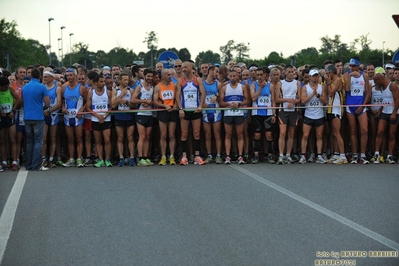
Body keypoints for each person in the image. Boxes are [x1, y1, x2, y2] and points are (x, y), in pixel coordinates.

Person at [175, 61, 207, 165]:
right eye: (182, 67)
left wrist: (200, 106)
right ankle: (184, 156)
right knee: (184, 134)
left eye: (185, 67)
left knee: (196, 133)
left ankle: (197, 156)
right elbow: (178, 95)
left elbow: (203, 93)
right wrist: (180, 108)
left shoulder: (197, 80)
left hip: (195, 110)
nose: (183, 69)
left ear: (191, 68)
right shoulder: (180, 81)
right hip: (185, 110)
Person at [22, 68, 50, 171]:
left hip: (27, 116)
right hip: (38, 116)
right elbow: (47, 103)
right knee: (38, 141)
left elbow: (23, 101)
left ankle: (29, 164)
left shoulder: (25, 87)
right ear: (40, 76)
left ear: (30, 76)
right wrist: (41, 108)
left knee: (29, 141)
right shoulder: (42, 87)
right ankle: (36, 165)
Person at [343, 57, 371, 164]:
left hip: (361, 105)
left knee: (364, 130)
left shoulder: (365, 76)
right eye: (351, 66)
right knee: (353, 130)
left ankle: (362, 154)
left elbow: (368, 93)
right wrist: (350, 76)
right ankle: (354, 154)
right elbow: (347, 89)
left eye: (354, 66)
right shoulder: (347, 75)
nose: (352, 68)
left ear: (358, 66)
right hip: (350, 105)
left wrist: (363, 105)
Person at [219, 69, 250, 164]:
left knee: (240, 135)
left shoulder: (243, 87)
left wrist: (239, 104)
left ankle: (240, 156)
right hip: (228, 113)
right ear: (228, 76)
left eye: (234, 76)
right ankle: (228, 156)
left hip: (239, 113)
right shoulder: (225, 88)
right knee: (228, 135)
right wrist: (228, 104)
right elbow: (220, 102)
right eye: (231, 76)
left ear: (237, 76)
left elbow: (247, 100)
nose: (233, 78)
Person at [298, 69, 328, 164]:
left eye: (317, 75)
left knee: (319, 136)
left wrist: (318, 96)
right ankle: (303, 155)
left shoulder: (322, 87)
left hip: (319, 115)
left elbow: (325, 101)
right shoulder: (305, 88)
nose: (315, 77)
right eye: (313, 76)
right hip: (309, 114)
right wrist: (312, 94)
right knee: (305, 135)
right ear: (310, 77)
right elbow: (303, 101)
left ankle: (319, 155)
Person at [61, 68, 87, 167]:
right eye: (68, 76)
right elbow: (62, 100)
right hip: (68, 116)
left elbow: (87, 101)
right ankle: (72, 159)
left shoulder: (82, 88)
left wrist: (82, 110)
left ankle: (79, 158)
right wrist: (63, 107)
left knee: (79, 138)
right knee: (70, 139)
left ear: (75, 76)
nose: (69, 77)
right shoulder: (64, 87)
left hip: (78, 117)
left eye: (71, 75)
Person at [250, 67, 276, 164]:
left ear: (265, 75)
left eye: (261, 75)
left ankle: (269, 155)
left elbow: (273, 100)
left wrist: (274, 114)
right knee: (257, 135)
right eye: (258, 75)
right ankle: (256, 155)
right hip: (256, 113)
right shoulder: (253, 85)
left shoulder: (271, 85)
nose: (260, 77)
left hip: (268, 113)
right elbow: (253, 98)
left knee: (269, 135)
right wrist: (260, 87)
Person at [276, 65, 300, 164]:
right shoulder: (280, 83)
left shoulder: (297, 83)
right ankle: (281, 155)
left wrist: (294, 102)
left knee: (291, 134)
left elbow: (299, 98)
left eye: (292, 72)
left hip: (293, 111)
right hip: (283, 111)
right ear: (285, 72)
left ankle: (288, 155)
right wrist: (287, 100)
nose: (291, 74)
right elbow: (277, 99)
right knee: (282, 133)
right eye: (289, 72)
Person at [372, 73, 399, 164]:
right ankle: (376, 155)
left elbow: (397, 99)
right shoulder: (382, 87)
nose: (375, 84)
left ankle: (390, 156)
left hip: (393, 113)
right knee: (379, 132)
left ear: (380, 80)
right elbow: (385, 101)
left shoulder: (392, 86)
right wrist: (380, 109)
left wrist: (394, 112)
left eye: (376, 82)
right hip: (384, 112)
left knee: (391, 134)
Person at [153, 69, 178, 165]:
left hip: (172, 111)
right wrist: (164, 106)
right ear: (163, 76)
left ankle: (171, 156)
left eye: (171, 75)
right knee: (163, 135)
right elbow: (155, 101)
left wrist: (175, 105)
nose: (170, 76)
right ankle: (163, 156)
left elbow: (177, 97)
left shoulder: (174, 86)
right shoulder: (158, 87)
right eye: (168, 75)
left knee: (171, 135)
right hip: (163, 111)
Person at [86, 74, 112, 167]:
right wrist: (97, 116)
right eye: (101, 82)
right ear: (96, 83)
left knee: (107, 140)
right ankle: (100, 159)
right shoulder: (91, 93)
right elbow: (88, 108)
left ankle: (107, 159)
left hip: (106, 119)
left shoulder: (108, 92)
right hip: (95, 119)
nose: (103, 83)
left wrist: (104, 116)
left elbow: (111, 107)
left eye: (103, 81)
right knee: (97, 140)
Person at [112, 72, 136, 167]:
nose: (126, 81)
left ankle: (131, 157)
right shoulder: (115, 90)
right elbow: (113, 105)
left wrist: (126, 102)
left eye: (127, 80)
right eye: (124, 80)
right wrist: (121, 96)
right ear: (120, 80)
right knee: (120, 138)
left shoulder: (131, 90)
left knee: (130, 137)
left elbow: (134, 105)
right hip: (119, 116)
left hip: (129, 115)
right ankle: (121, 157)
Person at [324, 65, 347, 164]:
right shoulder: (332, 81)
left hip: (336, 109)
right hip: (330, 108)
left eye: (327, 73)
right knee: (333, 133)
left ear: (330, 73)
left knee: (337, 132)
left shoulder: (337, 80)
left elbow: (331, 93)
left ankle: (343, 156)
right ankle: (336, 154)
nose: (326, 75)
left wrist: (328, 82)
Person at [132, 68, 155, 166]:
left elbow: (153, 101)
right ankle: (140, 157)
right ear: (144, 76)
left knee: (148, 137)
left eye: (151, 76)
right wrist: (143, 101)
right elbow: (133, 100)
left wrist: (150, 103)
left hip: (149, 114)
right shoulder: (139, 87)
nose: (149, 78)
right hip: (141, 114)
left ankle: (146, 157)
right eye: (148, 76)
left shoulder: (152, 88)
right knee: (142, 136)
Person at [202, 65, 223, 164]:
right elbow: (198, 96)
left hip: (216, 111)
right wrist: (202, 103)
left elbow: (222, 96)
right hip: (206, 111)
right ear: (210, 71)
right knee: (207, 135)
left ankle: (218, 155)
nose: (217, 74)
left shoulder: (218, 84)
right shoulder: (202, 84)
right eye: (216, 71)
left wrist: (217, 97)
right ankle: (209, 154)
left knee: (217, 134)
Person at [41, 70, 62, 168]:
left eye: (46, 77)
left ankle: (51, 158)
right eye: (43, 77)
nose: (44, 79)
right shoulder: (42, 88)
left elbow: (59, 103)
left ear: (52, 78)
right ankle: (43, 158)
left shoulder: (57, 89)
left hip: (54, 115)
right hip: (44, 115)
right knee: (44, 138)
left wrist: (49, 110)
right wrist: (43, 111)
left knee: (53, 137)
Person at [0, 77, 19, 171]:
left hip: (10, 116)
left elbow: (18, 99)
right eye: (5, 87)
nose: (7, 88)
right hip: (1, 117)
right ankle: (4, 161)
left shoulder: (10, 88)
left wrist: (13, 110)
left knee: (12, 139)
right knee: (2, 140)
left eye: (8, 86)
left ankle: (14, 161)